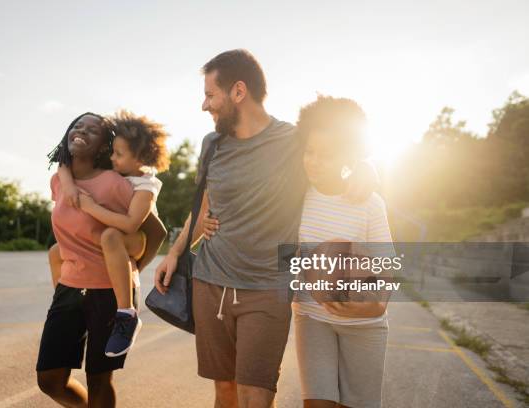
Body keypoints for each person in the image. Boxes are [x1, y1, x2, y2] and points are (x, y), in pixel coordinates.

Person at [155, 49, 378, 408]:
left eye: (211, 95)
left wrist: (367, 168)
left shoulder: (292, 141)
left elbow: (337, 148)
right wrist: (176, 252)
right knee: (224, 393)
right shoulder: (212, 145)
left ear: (238, 92)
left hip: (266, 289)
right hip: (211, 283)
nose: (204, 105)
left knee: (254, 397)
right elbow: (203, 207)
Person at [37, 112, 165, 408]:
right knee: (49, 380)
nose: (81, 130)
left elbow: (154, 231)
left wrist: (134, 269)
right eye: (78, 125)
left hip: (109, 292)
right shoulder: (58, 181)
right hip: (69, 289)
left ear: (103, 147)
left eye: (92, 129)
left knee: (98, 379)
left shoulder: (116, 183)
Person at [292, 95, 394, 408]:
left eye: (327, 155)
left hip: (363, 325)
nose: (314, 161)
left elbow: (387, 268)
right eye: (309, 151)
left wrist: (374, 306)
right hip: (312, 319)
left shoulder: (369, 203)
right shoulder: (294, 199)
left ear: (349, 157)